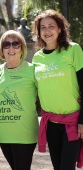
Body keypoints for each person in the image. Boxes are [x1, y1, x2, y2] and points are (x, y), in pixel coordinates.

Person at [32, 9, 83, 170]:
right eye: (43, 27)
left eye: (51, 26)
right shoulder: (37, 58)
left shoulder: (73, 50)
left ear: (60, 28)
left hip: (72, 122)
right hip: (50, 123)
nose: (47, 31)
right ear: (38, 32)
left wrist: (82, 121)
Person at [0, 30, 38, 170]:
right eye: (7, 44)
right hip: (4, 132)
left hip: (24, 132)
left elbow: (47, 93)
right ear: (2, 48)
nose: (11, 48)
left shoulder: (32, 70)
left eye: (15, 44)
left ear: (22, 48)